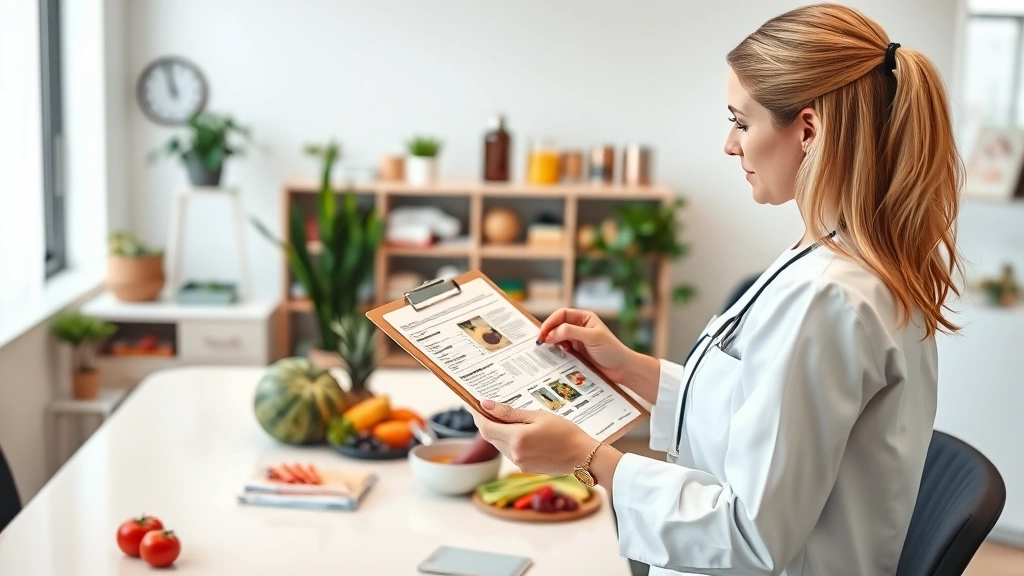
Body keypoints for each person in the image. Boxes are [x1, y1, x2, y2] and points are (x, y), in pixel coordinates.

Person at [473, 4, 962, 575]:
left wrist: (588, 459)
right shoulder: (833, 257)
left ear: (808, 129)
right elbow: (758, 411)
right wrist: (631, 368)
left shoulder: (830, 297)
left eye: (741, 121)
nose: (730, 145)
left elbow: (751, 534)